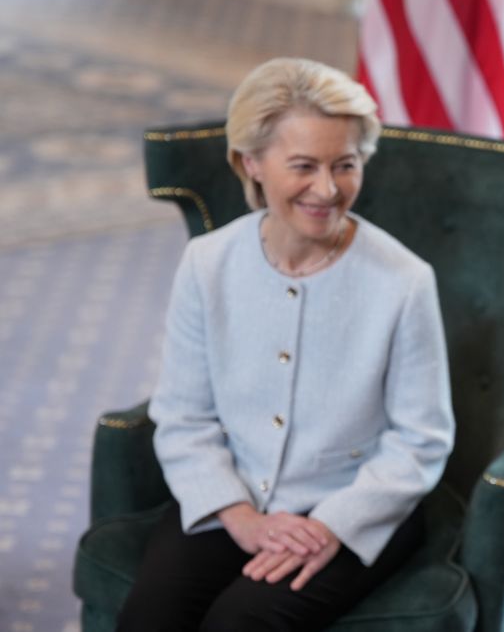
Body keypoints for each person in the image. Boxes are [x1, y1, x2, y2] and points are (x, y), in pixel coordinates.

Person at [118, 57, 455, 631]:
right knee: (149, 619)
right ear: (252, 163)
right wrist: (240, 515)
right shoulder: (208, 263)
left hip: (358, 511)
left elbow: (420, 441)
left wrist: (331, 527)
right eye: (303, 165)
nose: (327, 189)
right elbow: (182, 415)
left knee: (240, 623)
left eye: (345, 165)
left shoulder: (404, 280)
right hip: (233, 496)